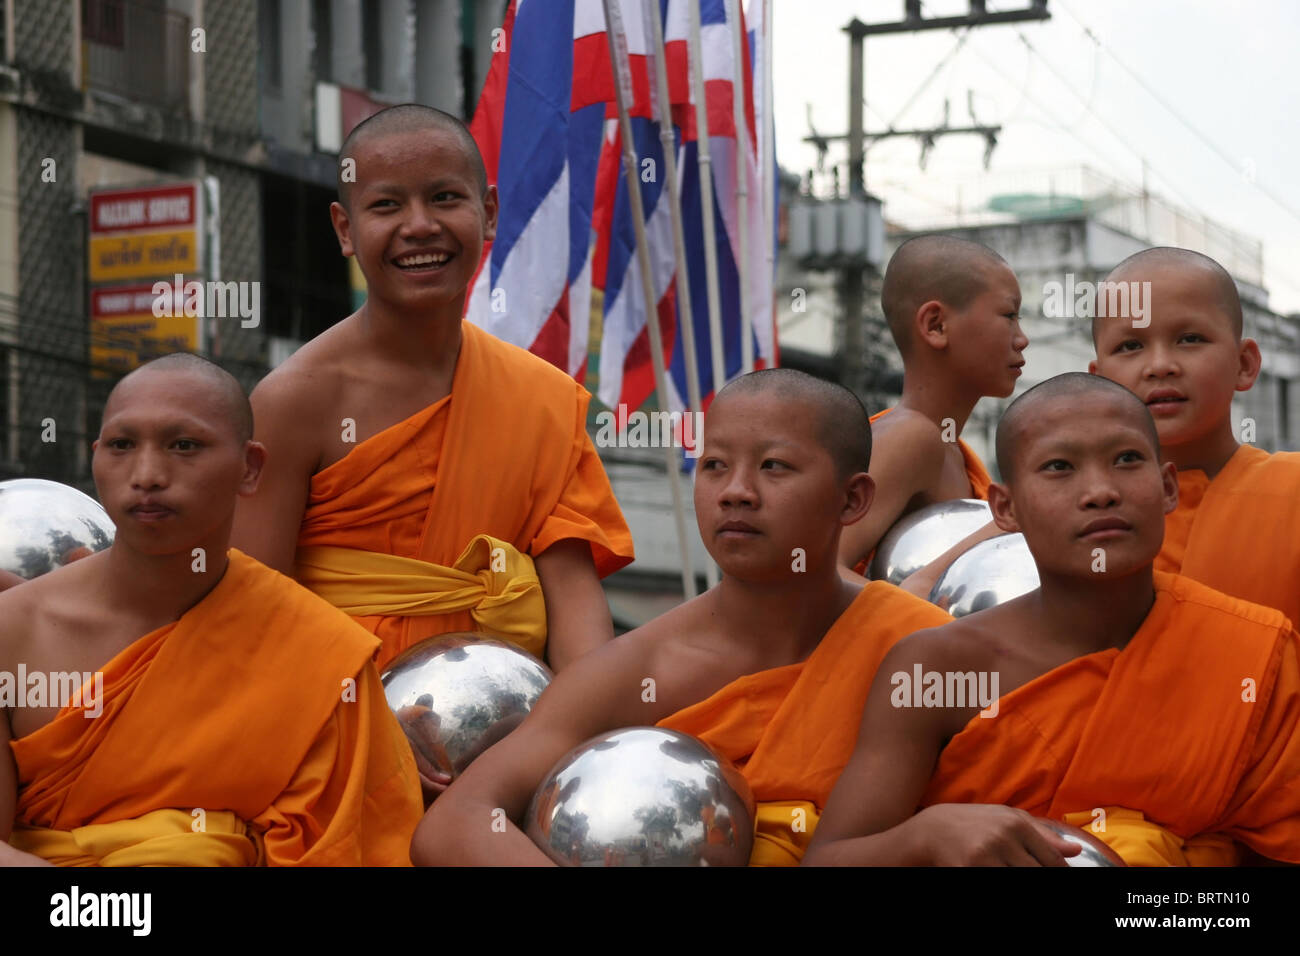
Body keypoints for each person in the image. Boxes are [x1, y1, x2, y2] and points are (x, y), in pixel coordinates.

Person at [412, 369, 953, 866]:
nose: (735, 492)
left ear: (853, 499)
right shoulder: (638, 670)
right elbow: (456, 822)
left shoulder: (919, 644)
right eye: (714, 465)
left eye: (773, 466)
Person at [805, 373, 1300, 866]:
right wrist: (926, 837)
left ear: (1167, 487)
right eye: (1060, 467)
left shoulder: (1250, 653)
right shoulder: (937, 666)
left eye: (1126, 460)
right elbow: (829, 859)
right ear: (1006, 508)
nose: (1101, 491)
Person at [231, 104, 635, 683]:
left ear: (489, 213)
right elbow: (256, 611)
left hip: (507, 729)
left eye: (445, 198)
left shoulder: (541, 399)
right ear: (345, 229)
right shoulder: (295, 402)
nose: (420, 226)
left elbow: (575, 608)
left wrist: (566, 737)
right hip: (336, 726)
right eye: (387, 205)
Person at [0, 354, 423, 866]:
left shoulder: (320, 655)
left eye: (185, 445)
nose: (148, 474)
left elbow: (348, 850)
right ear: (95, 457)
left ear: (250, 468)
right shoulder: (15, 631)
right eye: (121, 445)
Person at [1090, 246, 1300, 626]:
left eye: (1189, 339)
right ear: (1098, 380)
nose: (1160, 366)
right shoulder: (1074, 512)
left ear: (1244, 364)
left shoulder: (1292, 490)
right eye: (1131, 346)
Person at [838, 236, 1027, 589]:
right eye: (1009, 315)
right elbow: (815, 574)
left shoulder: (951, 450)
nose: (1023, 338)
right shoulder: (911, 437)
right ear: (936, 325)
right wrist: (918, 600)